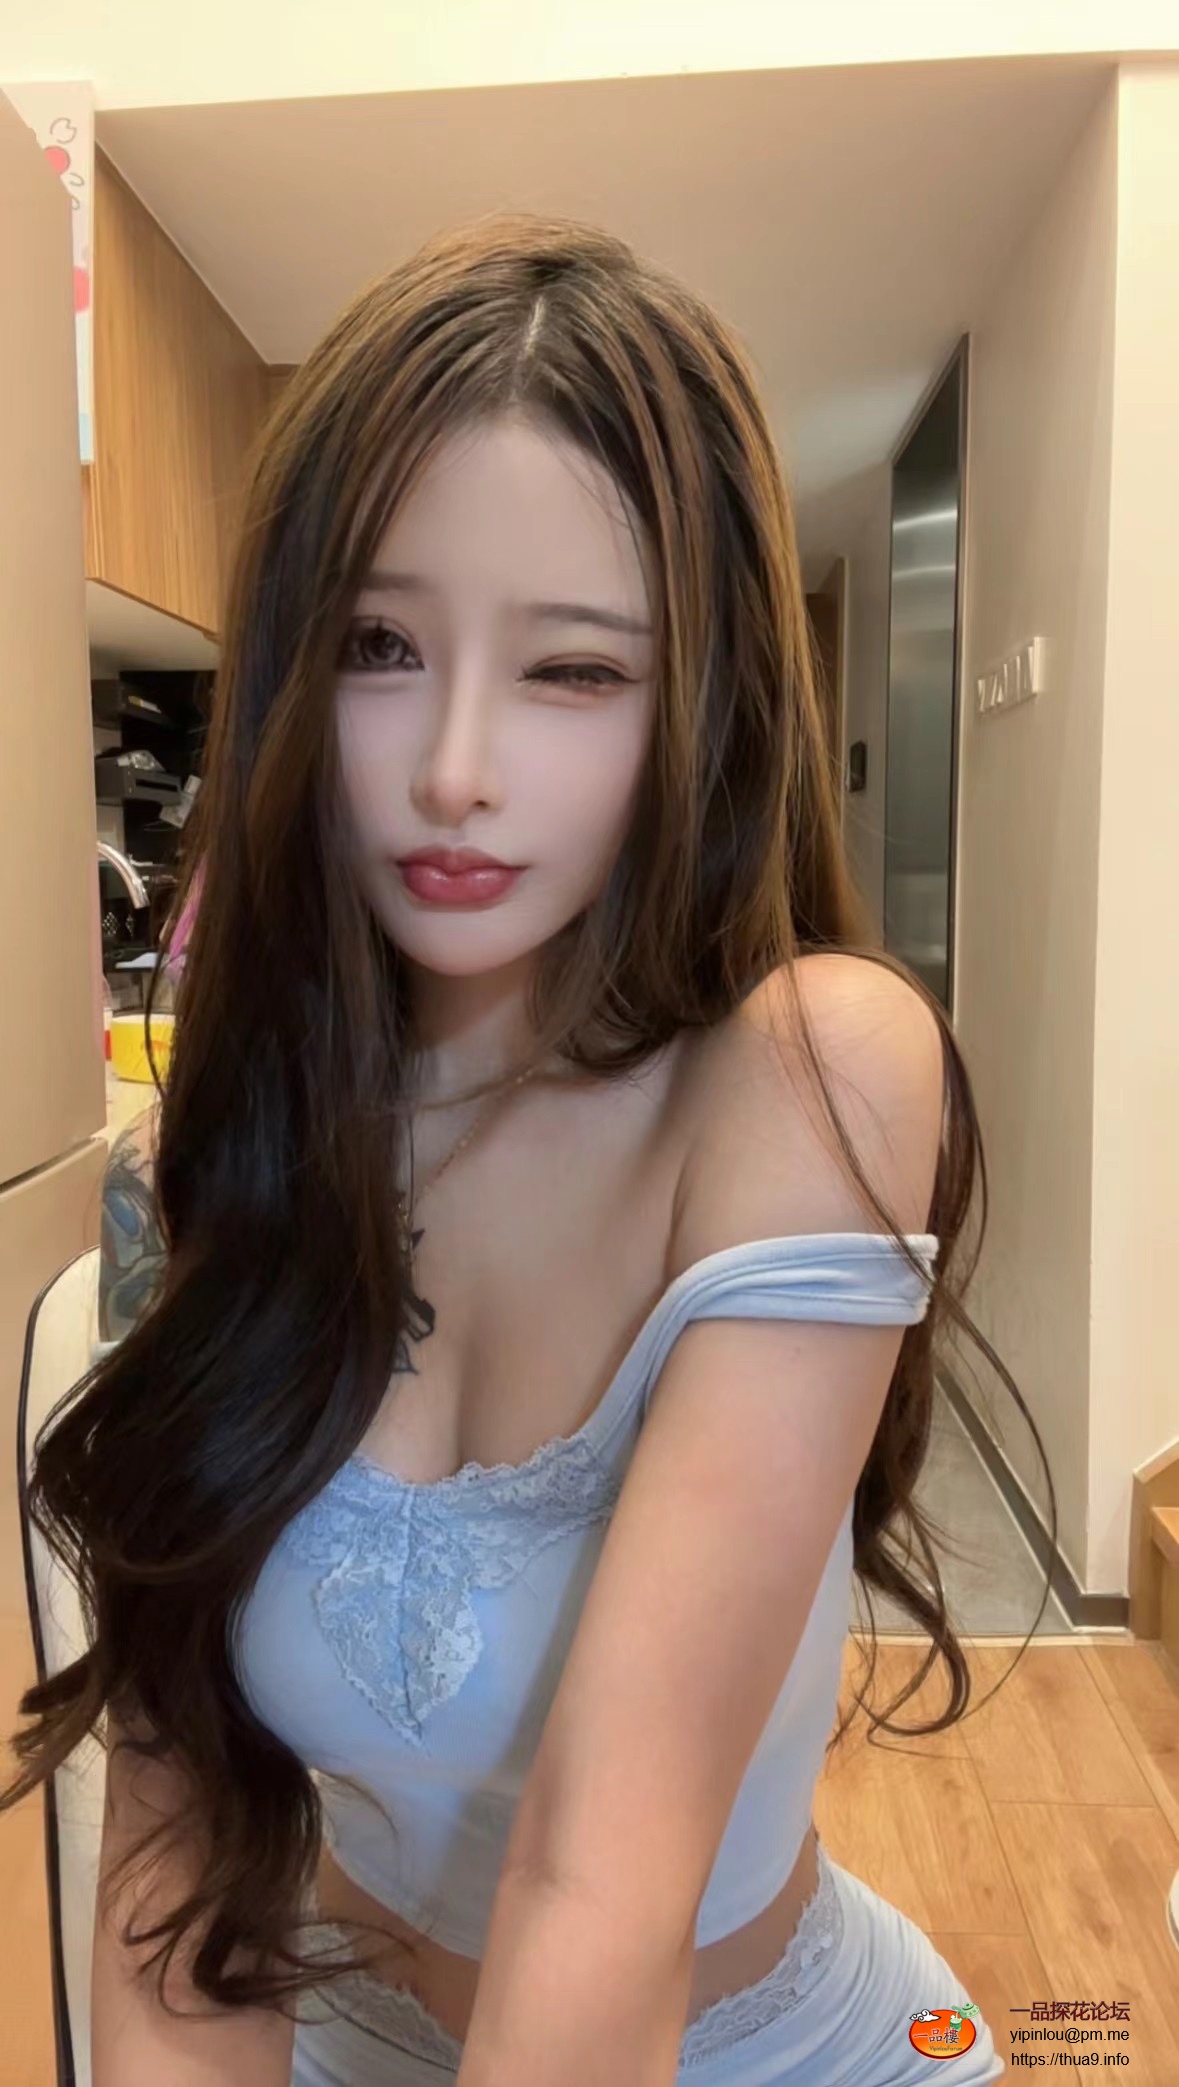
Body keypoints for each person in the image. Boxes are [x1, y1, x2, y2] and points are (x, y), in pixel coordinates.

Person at [4, 215, 1052, 2085]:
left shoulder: (809, 1080)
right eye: (381, 647)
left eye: (574, 670)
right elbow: (181, 1863)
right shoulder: (201, 1176)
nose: (453, 768)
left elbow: (602, 1884)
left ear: (704, 702)